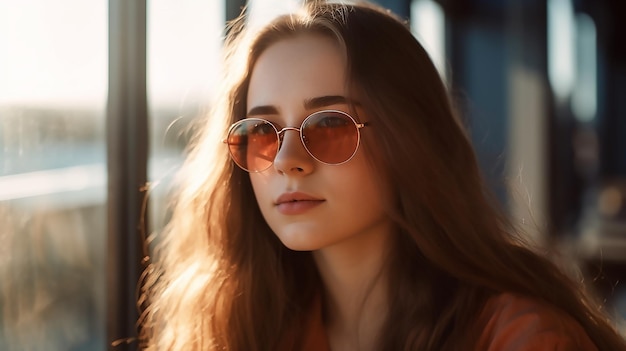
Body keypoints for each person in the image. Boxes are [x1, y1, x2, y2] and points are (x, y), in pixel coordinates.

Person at [138, 1, 626, 350]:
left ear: (407, 140)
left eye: (328, 125)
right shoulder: (242, 329)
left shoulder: (521, 338)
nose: (287, 159)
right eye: (262, 132)